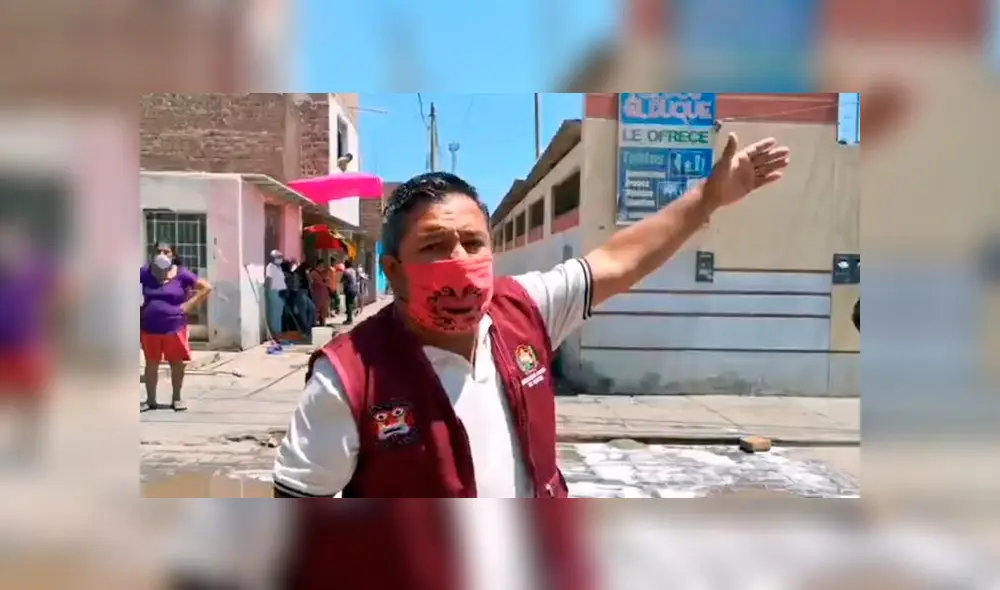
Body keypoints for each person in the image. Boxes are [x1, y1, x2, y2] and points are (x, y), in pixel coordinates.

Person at [273, 132, 790, 501]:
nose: (460, 260)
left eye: (473, 242)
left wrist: (707, 199)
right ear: (394, 271)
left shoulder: (525, 308)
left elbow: (620, 259)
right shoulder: (347, 377)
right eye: (434, 246)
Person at [141, 242, 212, 412]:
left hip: (174, 327)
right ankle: (150, 400)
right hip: (149, 327)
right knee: (151, 363)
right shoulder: (145, 272)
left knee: (176, 362)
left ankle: (177, 398)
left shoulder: (181, 273)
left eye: (166, 252)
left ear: (173, 255)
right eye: (158, 251)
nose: (162, 255)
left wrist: (188, 305)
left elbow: (206, 287)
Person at [264, 250, 286, 339]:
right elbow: (268, 279)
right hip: (274, 292)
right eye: (278, 257)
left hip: (281, 292)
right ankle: (275, 334)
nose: (280, 259)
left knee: (279, 313)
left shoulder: (279, 267)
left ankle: (278, 332)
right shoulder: (270, 267)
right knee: (275, 314)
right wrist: (268, 291)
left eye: (281, 257)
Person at [308, 259, 331, 326]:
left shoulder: (324, 273)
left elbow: (328, 283)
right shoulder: (313, 273)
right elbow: (310, 283)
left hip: (324, 295)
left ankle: (323, 325)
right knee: (315, 311)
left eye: (322, 265)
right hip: (317, 295)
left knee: (323, 312)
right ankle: (314, 325)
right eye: (321, 265)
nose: (322, 266)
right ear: (318, 265)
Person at [340, 258, 358, 325]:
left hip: (349, 289)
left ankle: (349, 319)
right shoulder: (353, 270)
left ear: (346, 265)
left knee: (348, 304)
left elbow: (342, 280)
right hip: (355, 289)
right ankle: (350, 316)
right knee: (351, 303)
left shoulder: (346, 271)